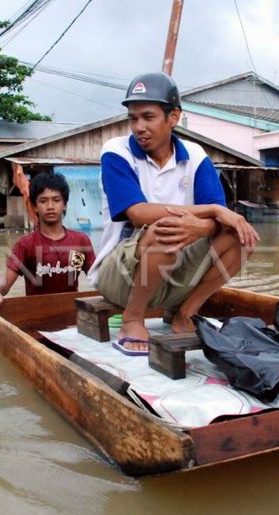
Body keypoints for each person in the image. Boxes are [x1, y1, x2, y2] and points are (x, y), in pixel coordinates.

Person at [89, 71, 259, 356]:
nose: (139, 127)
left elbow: (220, 222)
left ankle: (185, 313)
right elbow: (139, 213)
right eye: (133, 118)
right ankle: (132, 319)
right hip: (120, 277)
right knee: (165, 229)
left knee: (241, 236)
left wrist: (203, 227)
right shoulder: (116, 151)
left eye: (148, 117)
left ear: (174, 117)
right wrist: (213, 211)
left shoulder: (195, 155)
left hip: (172, 275)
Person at [0, 172, 95, 309]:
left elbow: (99, 278)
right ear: (35, 206)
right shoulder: (26, 244)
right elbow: (5, 281)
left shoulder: (81, 241)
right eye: (43, 201)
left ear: (65, 204)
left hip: (72, 313)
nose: (50, 206)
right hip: (36, 314)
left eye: (56, 200)